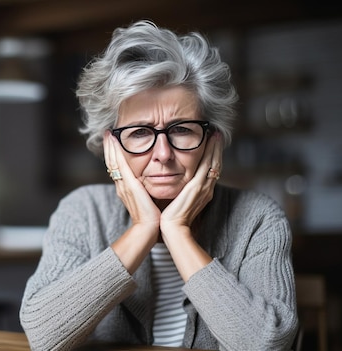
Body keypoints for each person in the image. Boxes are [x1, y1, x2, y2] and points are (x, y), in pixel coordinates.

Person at [19, 20, 298, 350]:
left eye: (182, 129)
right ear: (111, 146)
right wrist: (143, 228)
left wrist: (177, 231)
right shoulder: (83, 210)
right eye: (139, 133)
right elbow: (42, 334)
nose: (162, 154)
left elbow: (267, 344)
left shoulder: (258, 218)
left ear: (212, 141)